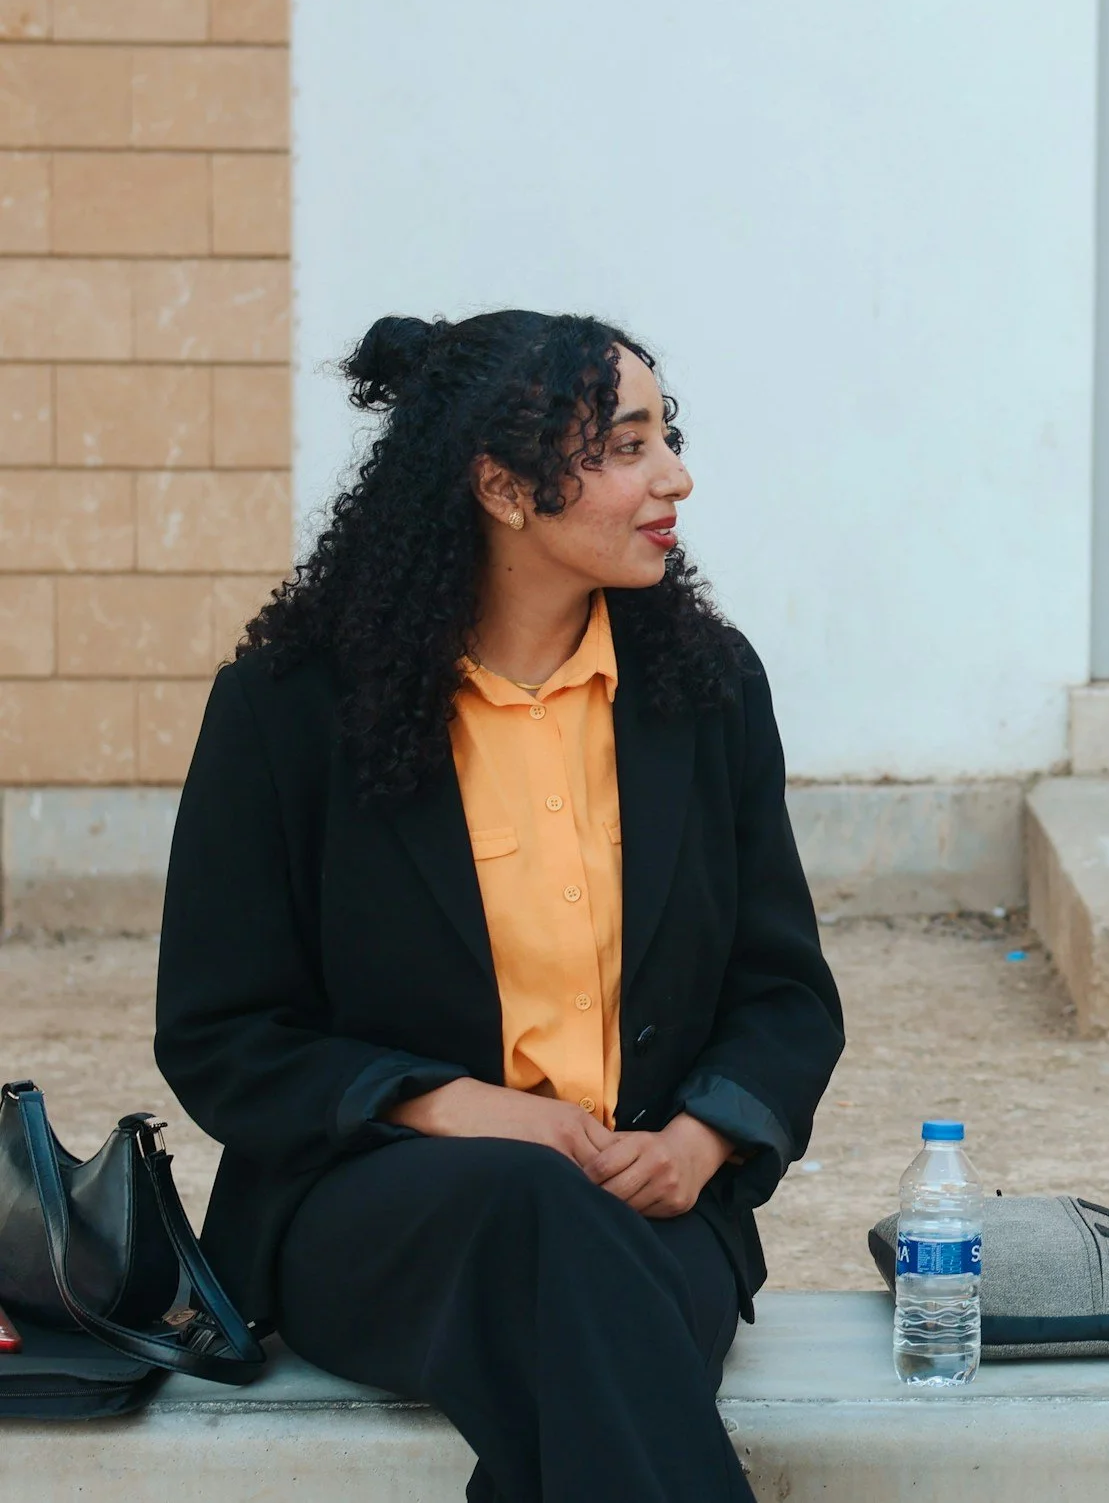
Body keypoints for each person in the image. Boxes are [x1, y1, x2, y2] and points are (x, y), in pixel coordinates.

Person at [154, 311, 843, 1503]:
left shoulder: (707, 690)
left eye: (664, 437)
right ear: (502, 486)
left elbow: (782, 990)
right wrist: (454, 1105)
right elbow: (221, 1030)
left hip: (651, 1212)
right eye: (626, 446)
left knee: (574, 1343)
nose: (673, 477)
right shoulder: (289, 710)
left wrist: (702, 1140)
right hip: (370, 1212)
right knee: (539, 1222)